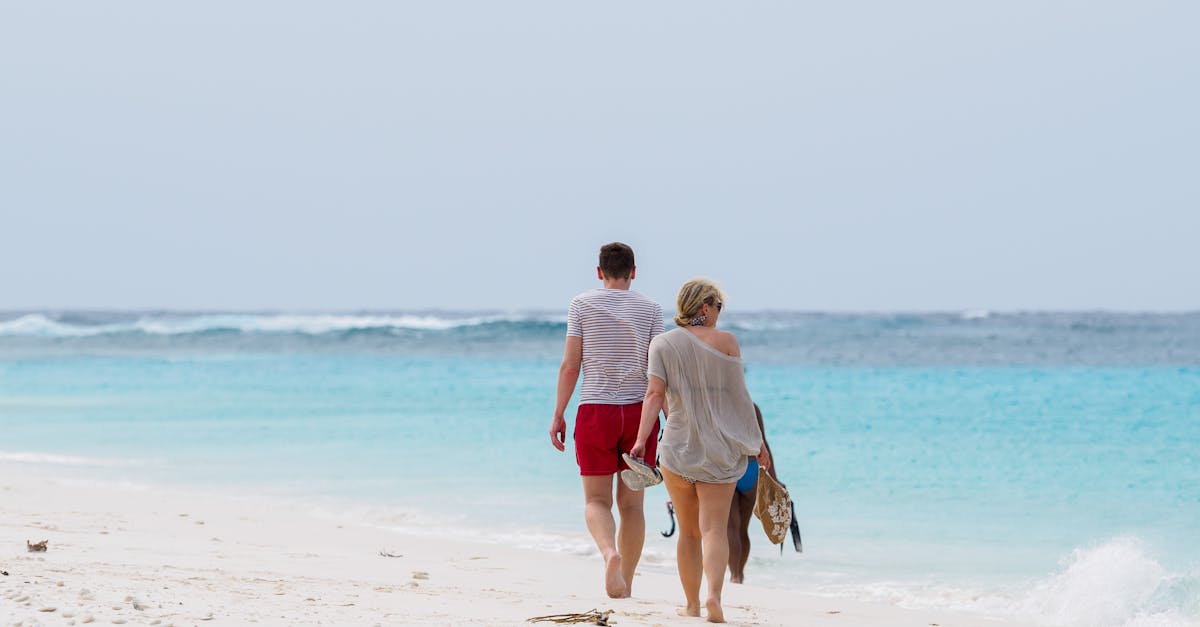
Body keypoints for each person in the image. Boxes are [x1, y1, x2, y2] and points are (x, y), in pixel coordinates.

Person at [629, 278, 769, 623]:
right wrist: (757, 444)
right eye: (719, 307)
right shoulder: (727, 343)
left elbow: (654, 396)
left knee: (688, 532)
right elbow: (740, 400)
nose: (720, 314)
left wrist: (640, 440)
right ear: (705, 307)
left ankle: (691, 605)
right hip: (719, 451)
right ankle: (713, 598)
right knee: (714, 530)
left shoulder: (662, 344)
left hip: (678, 448)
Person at [548, 242, 665, 599]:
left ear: (599, 272)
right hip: (637, 414)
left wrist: (558, 413)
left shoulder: (581, 305)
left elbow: (571, 365)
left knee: (597, 501)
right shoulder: (652, 309)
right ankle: (625, 580)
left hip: (595, 410)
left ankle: (608, 553)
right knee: (633, 506)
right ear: (634, 271)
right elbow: (659, 372)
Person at [726, 403, 776, 584]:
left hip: (730, 467)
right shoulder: (752, 407)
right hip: (751, 468)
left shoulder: (721, 406)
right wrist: (775, 478)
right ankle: (740, 573)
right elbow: (765, 444)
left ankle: (734, 576)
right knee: (742, 529)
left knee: (731, 526)